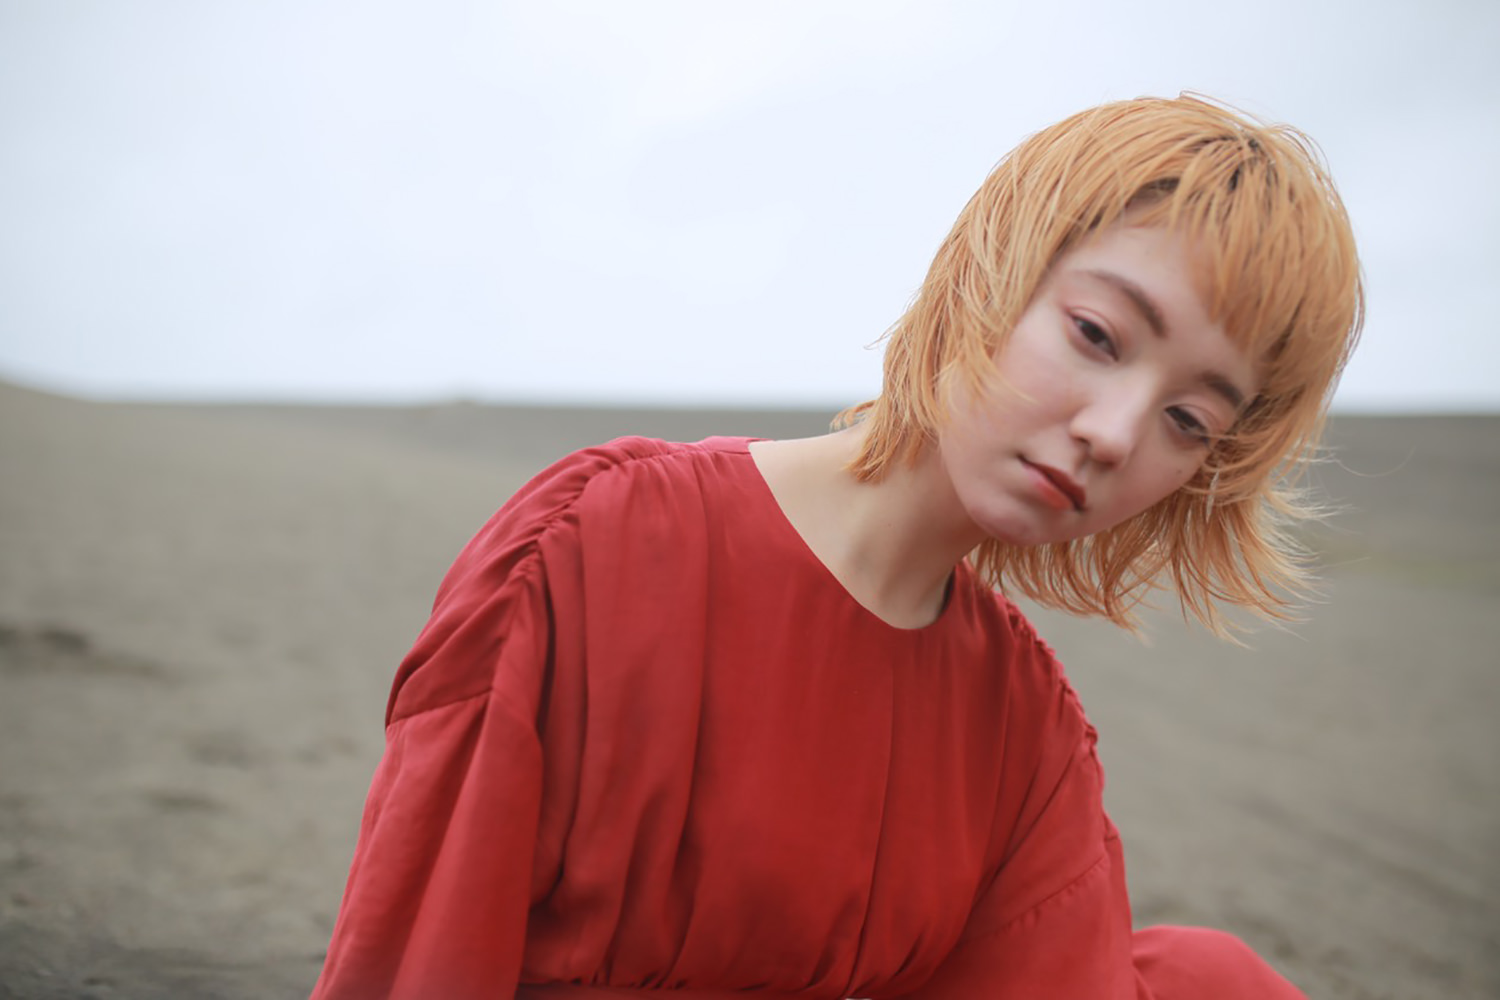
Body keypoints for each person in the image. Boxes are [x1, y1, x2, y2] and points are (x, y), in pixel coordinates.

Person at [309, 94, 1362, 999]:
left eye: (1189, 420)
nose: (1115, 433)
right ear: (992, 271)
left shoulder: (1024, 732)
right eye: (1096, 334)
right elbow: (421, 948)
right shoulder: (597, 541)